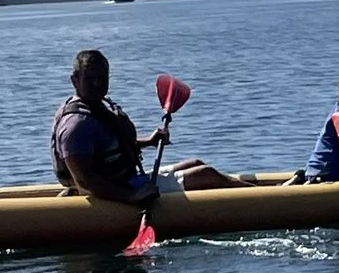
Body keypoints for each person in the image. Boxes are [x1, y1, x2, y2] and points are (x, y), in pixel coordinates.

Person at [51, 48, 236, 202]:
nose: (98, 84)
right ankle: (262, 205)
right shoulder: (76, 125)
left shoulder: (96, 107)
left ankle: (256, 193)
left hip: (126, 181)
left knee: (196, 164)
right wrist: (133, 196)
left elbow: (107, 149)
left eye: (102, 78)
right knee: (206, 174)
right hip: (111, 194)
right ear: (75, 79)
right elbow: (85, 181)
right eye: (90, 79)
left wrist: (148, 141)